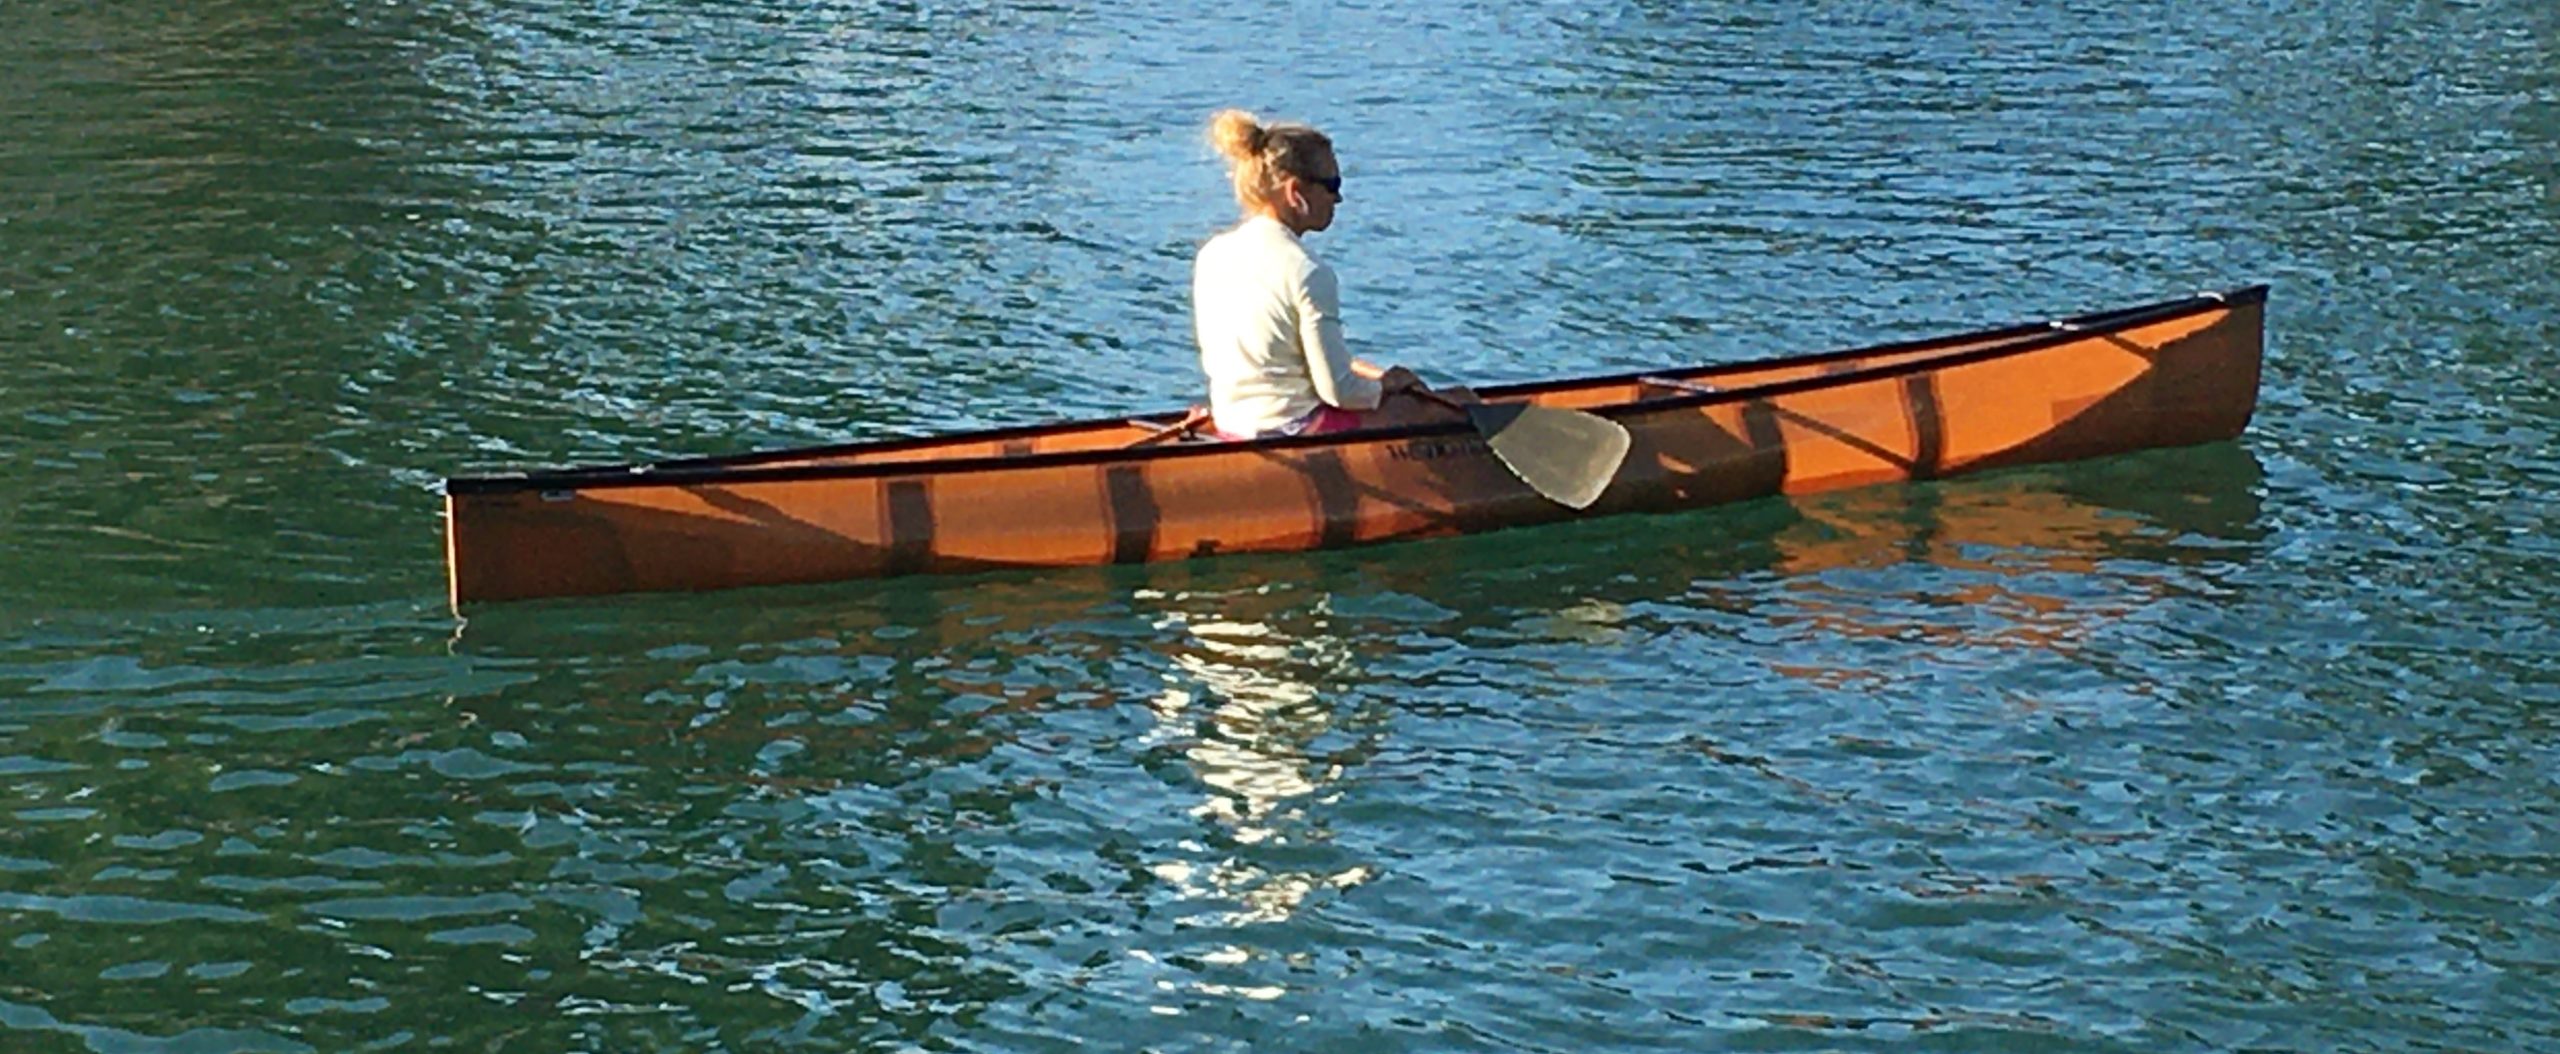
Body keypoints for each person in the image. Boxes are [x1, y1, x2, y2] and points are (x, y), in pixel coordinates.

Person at [1191, 109, 1465, 440]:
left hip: (1232, 422)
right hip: (1291, 427)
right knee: (1454, 406)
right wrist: (1387, 388)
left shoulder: (1213, 254)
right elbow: (1339, 392)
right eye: (1332, 185)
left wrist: (1378, 379)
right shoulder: (1307, 271)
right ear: (1296, 192)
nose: (1338, 198)